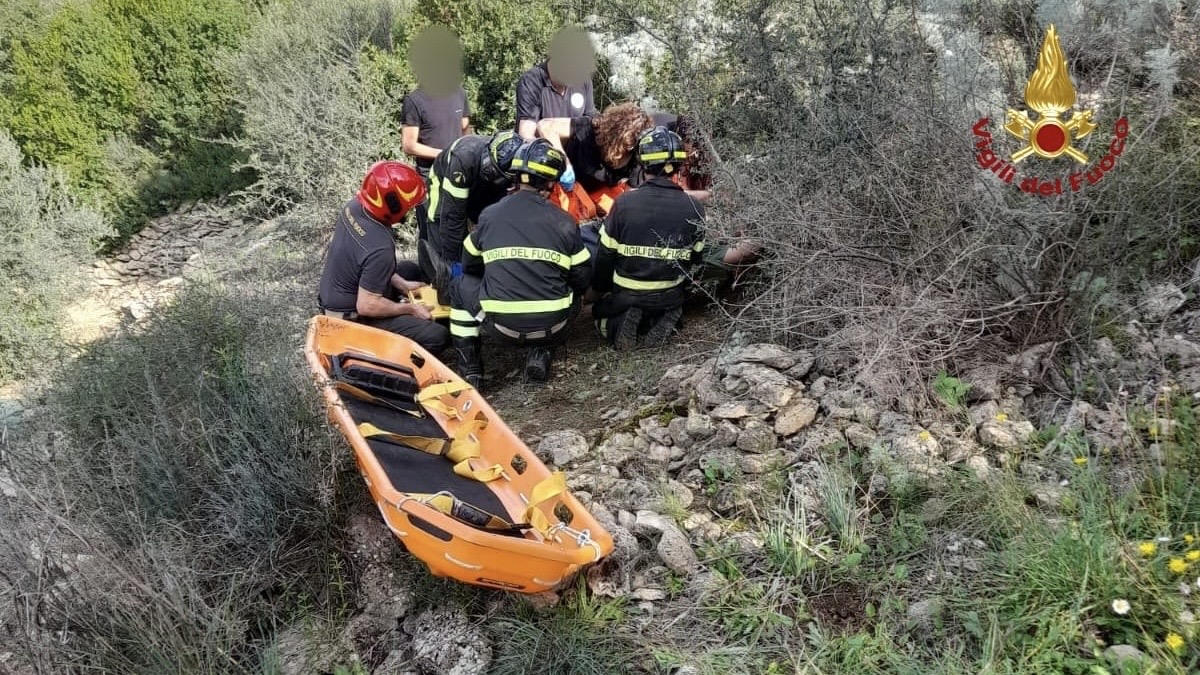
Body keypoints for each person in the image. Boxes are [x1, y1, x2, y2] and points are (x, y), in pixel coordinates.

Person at [449, 139, 591, 387]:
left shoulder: (489, 216)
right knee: (570, 294)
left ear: (516, 176)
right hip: (555, 325)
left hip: (501, 327)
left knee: (458, 286)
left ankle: (470, 373)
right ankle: (541, 351)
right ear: (550, 182)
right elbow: (582, 276)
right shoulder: (565, 221)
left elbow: (469, 263)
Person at [318, 161, 450, 354]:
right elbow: (367, 306)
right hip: (350, 321)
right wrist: (409, 309)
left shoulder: (353, 207)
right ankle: (391, 362)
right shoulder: (380, 247)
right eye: (408, 206)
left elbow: (362, 262)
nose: (409, 211)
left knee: (408, 270)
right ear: (393, 206)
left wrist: (402, 284)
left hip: (336, 300)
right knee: (437, 336)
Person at [592, 127, 704, 349]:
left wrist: (598, 291)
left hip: (627, 293)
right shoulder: (695, 207)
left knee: (599, 314)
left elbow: (605, 256)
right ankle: (665, 318)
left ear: (643, 164)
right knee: (664, 304)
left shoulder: (624, 204)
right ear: (679, 167)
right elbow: (695, 260)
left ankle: (618, 324)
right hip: (671, 293)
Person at [402, 24, 471, 275]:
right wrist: (444, 155)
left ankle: (459, 281)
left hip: (459, 177)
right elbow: (409, 144)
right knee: (431, 233)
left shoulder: (459, 93)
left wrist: (466, 152)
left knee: (459, 232)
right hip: (428, 178)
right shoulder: (414, 100)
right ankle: (433, 284)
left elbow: (465, 126)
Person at [421, 130, 524, 293]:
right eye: (489, 167)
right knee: (441, 225)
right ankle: (443, 281)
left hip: (486, 188)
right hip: (444, 185)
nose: (488, 172)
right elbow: (452, 217)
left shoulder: (515, 167)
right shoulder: (463, 158)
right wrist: (452, 264)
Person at [515, 26, 597, 139]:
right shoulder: (532, 82)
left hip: (575, 151)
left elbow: (591, 121)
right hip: (541, 151)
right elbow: (526, 135)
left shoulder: (583, 81)